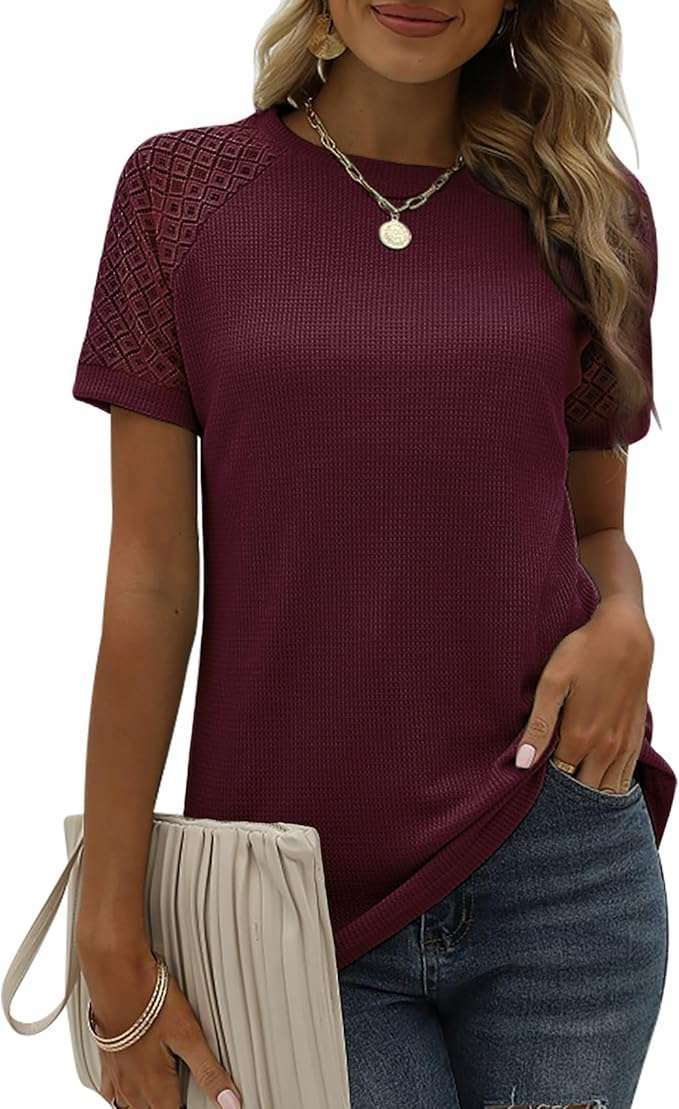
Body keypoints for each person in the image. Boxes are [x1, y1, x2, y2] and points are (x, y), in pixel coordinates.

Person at [70, 0, 675, 1106]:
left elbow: (594, 526)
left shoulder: (589, 211)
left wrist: (625, 620)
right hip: (288, 897)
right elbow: (151, 583)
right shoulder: (180, 193)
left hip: (559, 866)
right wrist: (105, 923)